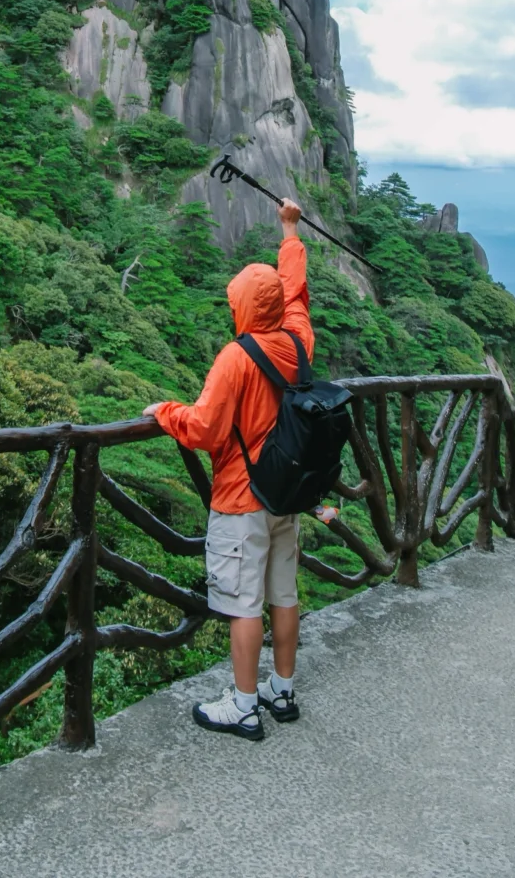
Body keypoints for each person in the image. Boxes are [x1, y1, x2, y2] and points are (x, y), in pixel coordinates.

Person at [142, 197, 313, 741]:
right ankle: (280, 690)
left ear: (240, 304)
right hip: (287, 491)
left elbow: (205, 430)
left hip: (242, 498)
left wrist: (165, 411)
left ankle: (242, 706)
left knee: (245, 604)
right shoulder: (297, 340)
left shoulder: (235, 357)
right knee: (284, 593)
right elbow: (298, 293)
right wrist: (290, 231)